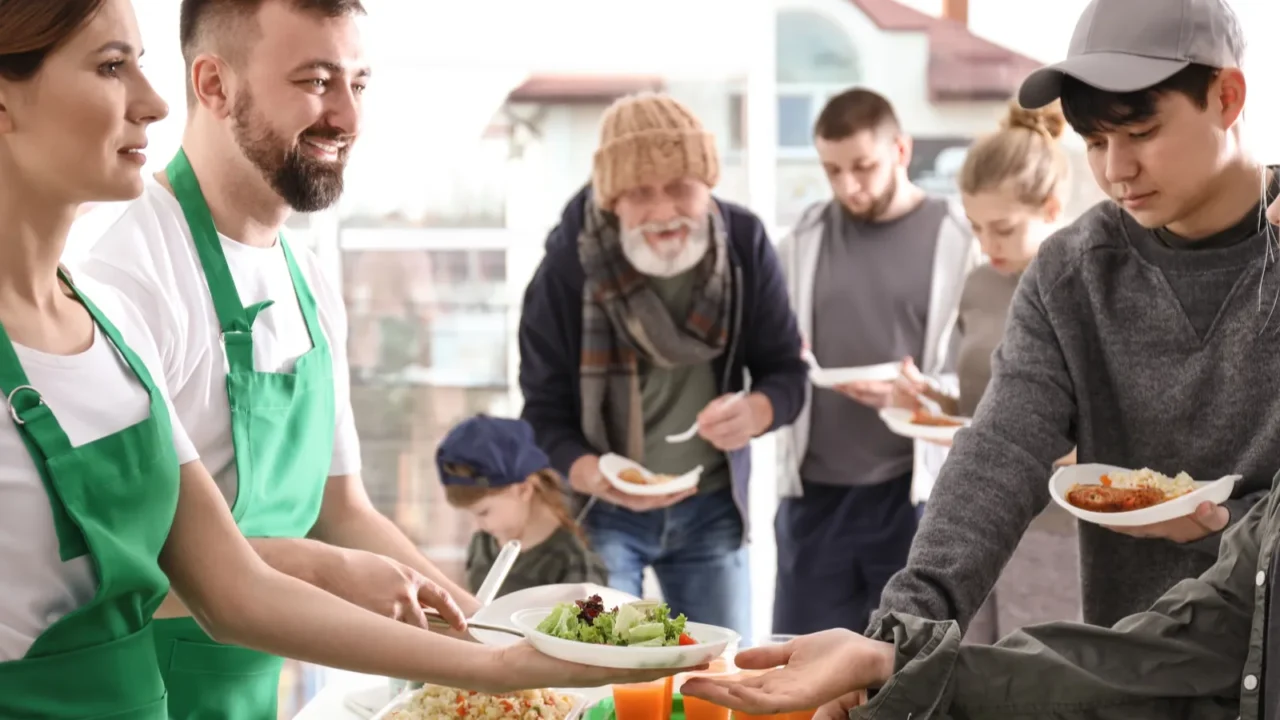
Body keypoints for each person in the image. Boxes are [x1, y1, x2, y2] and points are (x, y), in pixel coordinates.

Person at [0, 2, 690, 717]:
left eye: (357, 84)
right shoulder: (131, 275)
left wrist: (499, 649)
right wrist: (338, 575)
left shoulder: (158, 316)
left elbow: (287, 549)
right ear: (215, 87)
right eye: (315, 80)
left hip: (252, 684)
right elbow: (159, 578)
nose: (348, 117)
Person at [680, 0, 1280, 717]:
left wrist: (1239, 514)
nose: (1117, 170)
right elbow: (998, 453)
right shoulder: (1074, 272)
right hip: (1114, 678)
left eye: (1142, 132)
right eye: (1094, 141)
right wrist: (894, 645)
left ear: (1227, 96)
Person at [518, 92, 807, 640]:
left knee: (721, 676)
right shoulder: (565, 268)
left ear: (709, 184)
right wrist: (594, 474)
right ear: (612, 198)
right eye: (641, 193)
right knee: (602, 671)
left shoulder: (743, 244)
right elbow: (542, 414)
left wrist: (757, 411)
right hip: (601, 514)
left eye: (681, 187)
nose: (664, 210)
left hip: (713, 506)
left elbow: (788, 372)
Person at [773, 88, 981, 635]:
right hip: (812, 500)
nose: (847, 185)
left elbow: (982, 373)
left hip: (910, 500)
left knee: (900, 674)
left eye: (862, 167)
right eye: (832, 169)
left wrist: (919, 393)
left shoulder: (957, 239)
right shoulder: (804, 237)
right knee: (798, 670)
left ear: (901, 151)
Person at [889, 101, 1082, 642]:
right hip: (975, 515)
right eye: (975, 228)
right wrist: (931, 400)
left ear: (1051, 206)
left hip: (1056, 527)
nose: (985, 246)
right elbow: (984, 402)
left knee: (1040, 677)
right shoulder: (978, 284)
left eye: (1002, 229)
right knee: (966, 673)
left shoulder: (1081, 289)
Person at [438, 415, 609, 597]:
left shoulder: (574, 561)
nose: (479, 525)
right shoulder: (482, 545)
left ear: (523, 490)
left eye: (484, 512)